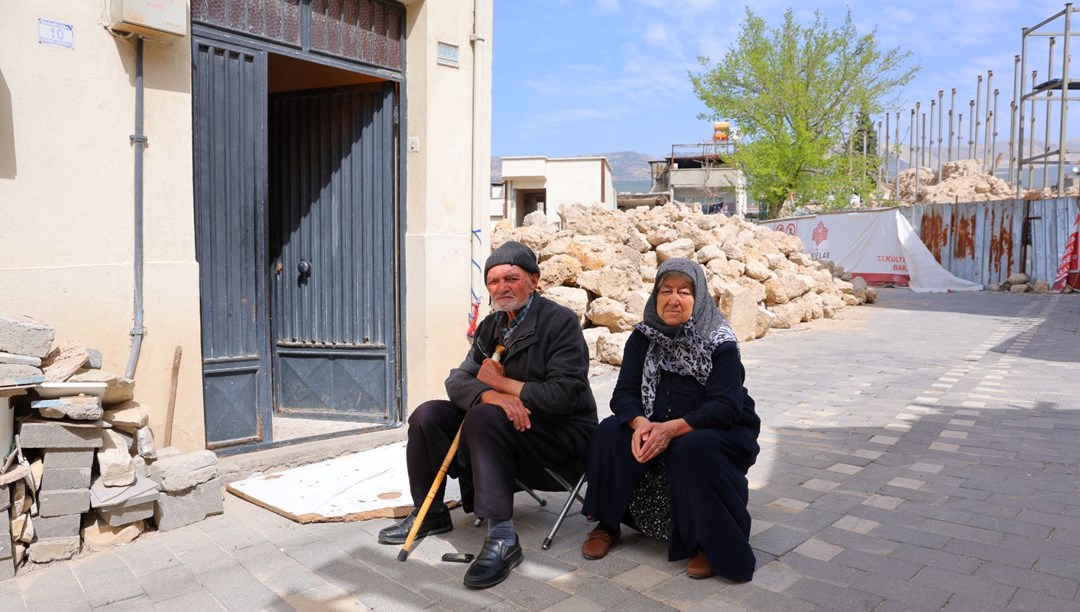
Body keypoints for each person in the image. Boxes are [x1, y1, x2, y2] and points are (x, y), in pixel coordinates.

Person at [377, 240, 598, 589]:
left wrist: (506, 387)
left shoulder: (559, 323)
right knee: (427, 415)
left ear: (534, 280)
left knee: (483, 417)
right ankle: (430, 513)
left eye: (511, 277)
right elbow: (458, 379)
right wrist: (492, 394)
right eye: (494, 281)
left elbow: (564, 396)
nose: (501, 287)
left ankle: (503, 538)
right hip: (507, 429)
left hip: (562, 436)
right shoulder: (491, 327)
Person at [580, 257, 760, 582]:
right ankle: (608, 524)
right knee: (609, 432)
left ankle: (708, 543)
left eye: (684, 292)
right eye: (665, 291)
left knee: (692, 448)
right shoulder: (643, 338)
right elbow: (623, 395)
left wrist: (671, 429)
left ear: (699, 297)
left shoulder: (720, 342)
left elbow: (726, 407)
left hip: (714, 430)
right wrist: (640, 424)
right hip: (654, 425)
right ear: (655, 296)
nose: (673, 299)